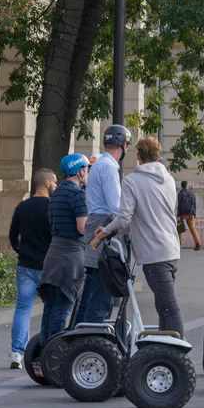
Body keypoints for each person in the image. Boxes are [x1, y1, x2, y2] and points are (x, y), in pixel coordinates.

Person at [91, 137, 184, 334]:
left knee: (169, 307)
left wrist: (103, 234)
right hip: (171, 250)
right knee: (163, 307)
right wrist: (109, 231)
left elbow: (124, 219)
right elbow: (142, 219)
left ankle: (177, 354)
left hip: (153, 253)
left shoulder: (132, 181)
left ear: (138, 156)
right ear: (159, 156)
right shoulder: (169, 179)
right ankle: (165, 350)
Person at [74, 125, 130, 325]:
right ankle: (92, 336)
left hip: (95, 222)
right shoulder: (108, 167)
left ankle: (79, 333)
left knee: (91, 290)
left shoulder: (99, 163)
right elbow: (116, 208)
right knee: (102, 292)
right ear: (123, 146)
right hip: (103, 226)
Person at [37, 153, 90, 348]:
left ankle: (44, 356)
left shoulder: (56, 194)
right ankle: (56, 356)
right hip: (70, 258)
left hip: (53, 256)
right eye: (86, 170)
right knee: (62, 309)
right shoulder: (78, 195)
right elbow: (82, 228)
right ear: (80, 171)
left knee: (50, 308)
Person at [6, 168, 57, 368]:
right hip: (49, 266)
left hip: (26, 265)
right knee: (51, 308)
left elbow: (12, 236)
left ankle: (17, 354)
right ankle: (45, 350)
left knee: (23, 308)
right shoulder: (53, 207)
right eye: (54, 183)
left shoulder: (22, 207)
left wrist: (21, 251)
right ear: (46, 184)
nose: (56, 186)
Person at [177, 180, 202, 250]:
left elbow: (179, 205)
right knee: (192, 229)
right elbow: (194, 205)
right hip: (191, 214)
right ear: (187, 186)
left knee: (180, 229)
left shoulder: (180, 194)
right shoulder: (192, 194)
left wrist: (178, 215)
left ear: (182, 186)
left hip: (183, 215)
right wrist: (194, 215)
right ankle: (197, 243)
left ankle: (179, 244)